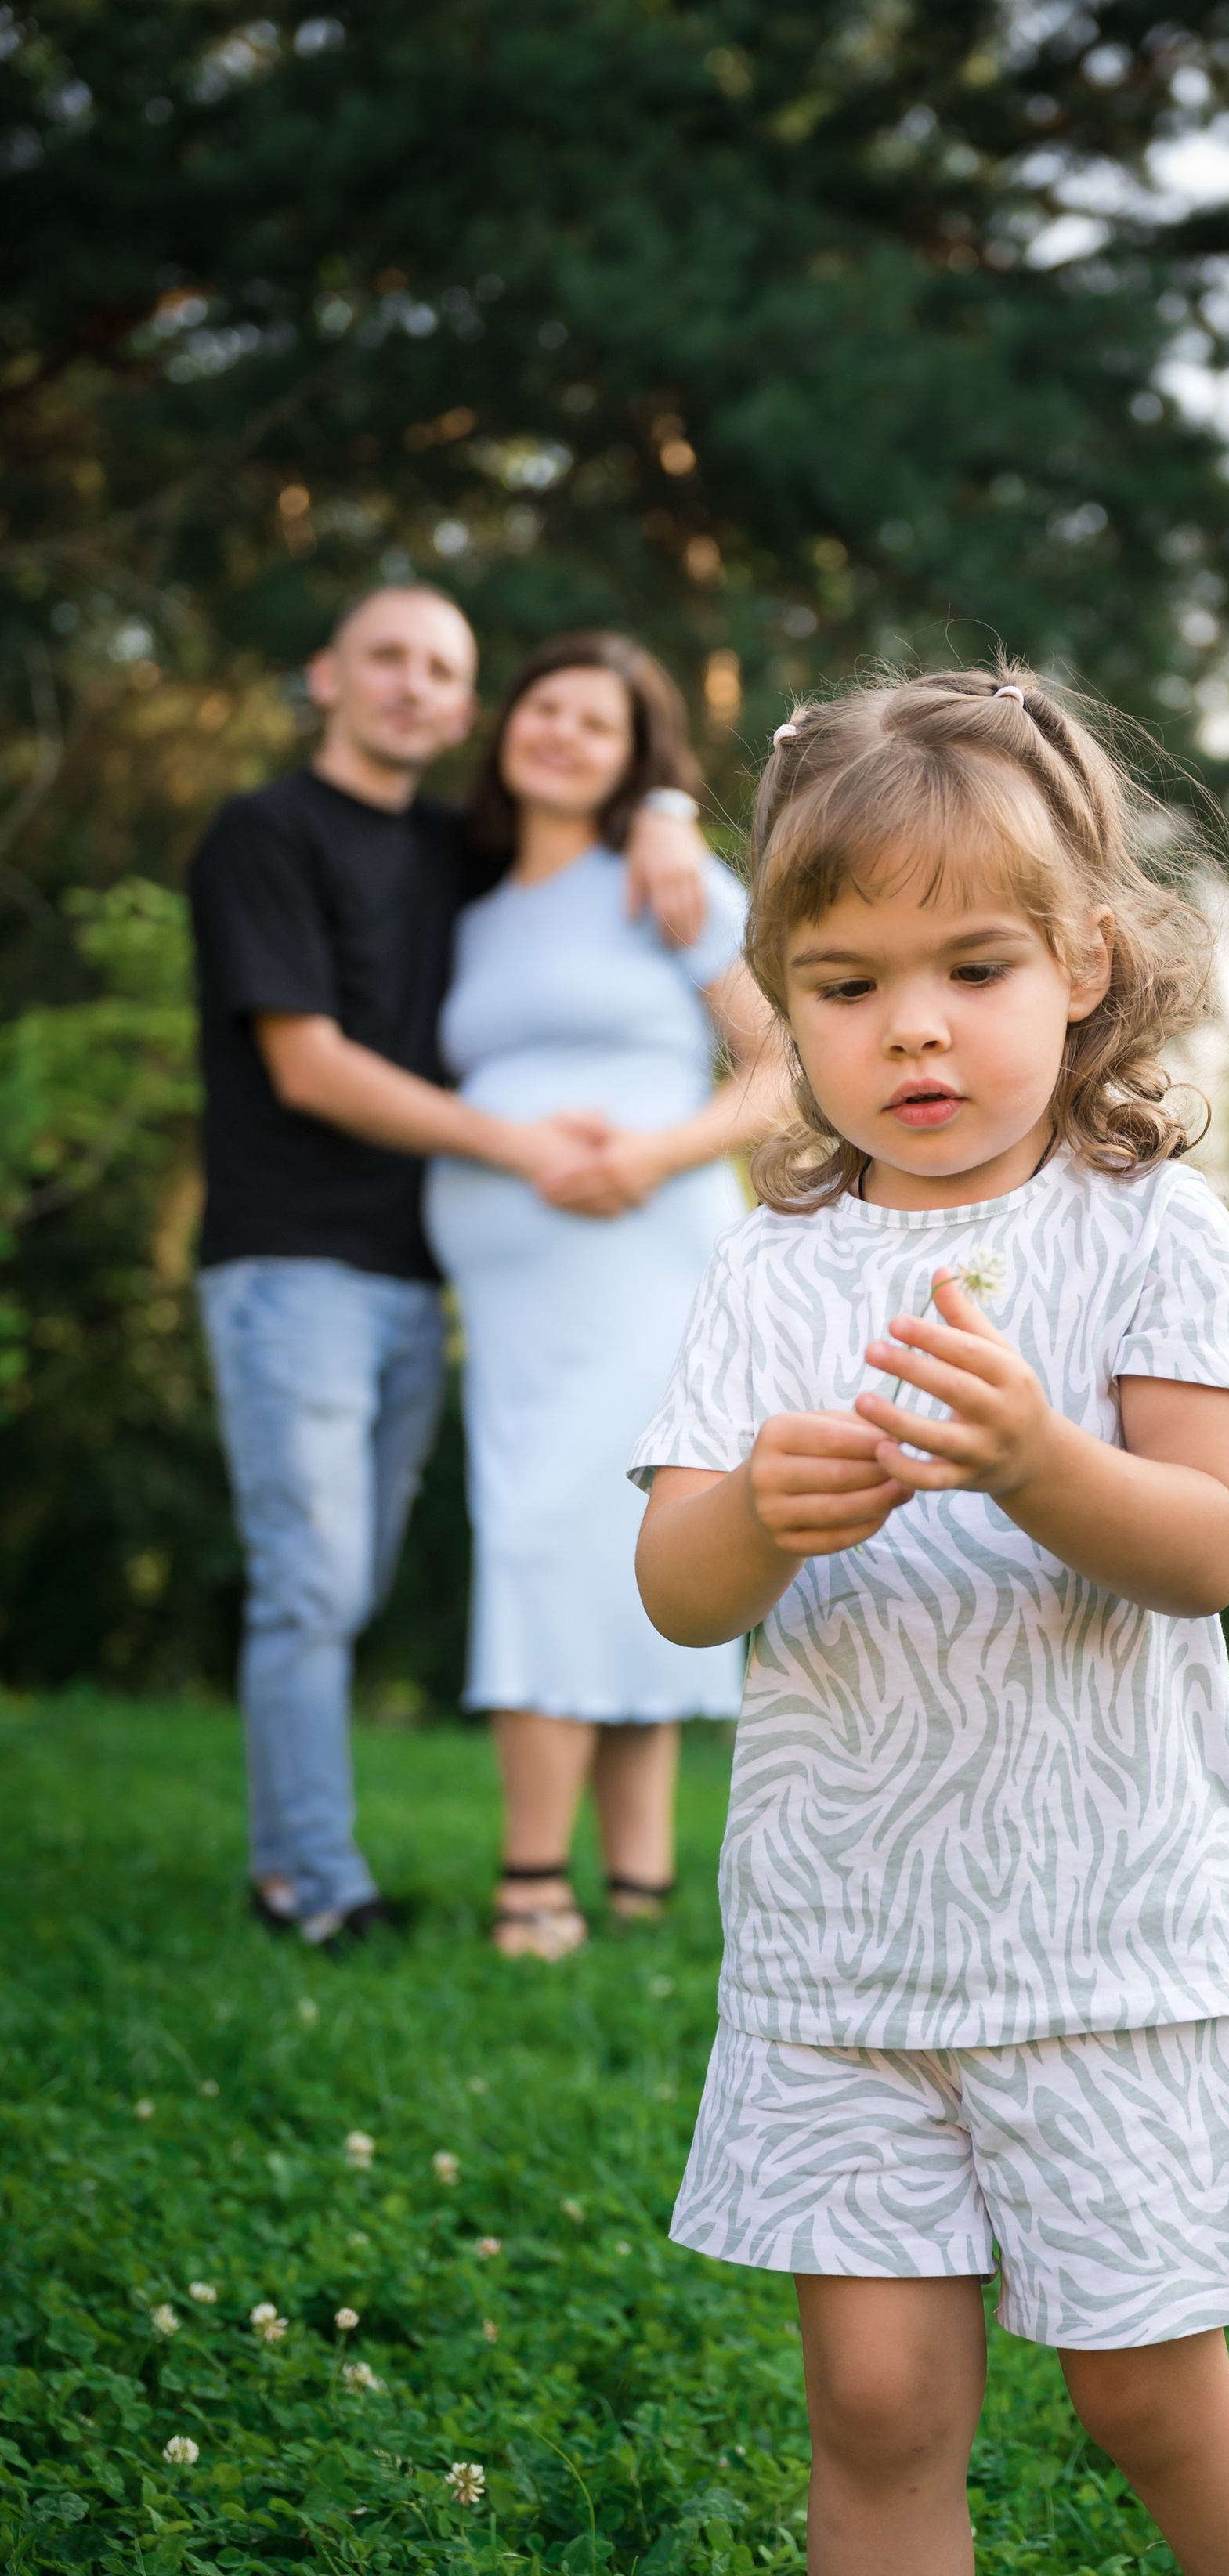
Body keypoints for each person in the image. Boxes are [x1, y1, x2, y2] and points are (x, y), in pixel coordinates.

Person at [630, 666, 1229, 2576]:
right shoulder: (771, 1272)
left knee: (1148, 2385)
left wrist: (1044, 1459)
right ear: (785, 1007)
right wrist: (763, 1511)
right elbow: (676, 1587)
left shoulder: (1155, 1232)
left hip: (1105, 1934)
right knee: (875, 2402)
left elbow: (1202, 1543)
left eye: (974, 968)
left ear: (1084, 969)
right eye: (849, 984)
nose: (917, 1032)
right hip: (848, 1950)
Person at [190, 584, 712, 1949]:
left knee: (383, 1575)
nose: (413, 685)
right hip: (301, 1256)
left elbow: (611, 852)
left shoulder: (455, 857)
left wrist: (666, 811)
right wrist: (529, 1149)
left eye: (442, 667)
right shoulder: (267, 834)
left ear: (460, 708)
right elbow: (304, 1062)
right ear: (327, 675)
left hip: (438, 1272)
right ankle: (312, 1878)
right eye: (386, 659)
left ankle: (621, 1876)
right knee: (323, 1580)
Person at [425, 634, 784, 1960]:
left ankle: (562, 1879)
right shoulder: (459, 904)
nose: (566, 733)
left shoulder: (670, 878)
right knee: (539, 1525)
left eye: (603, 720)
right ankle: (619, 1877)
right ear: (505, 727)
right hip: (515, 1284)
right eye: (547, 708)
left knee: (621, 1525)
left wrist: (646, 1153)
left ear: (641, 756)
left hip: (650, 1252)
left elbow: (787, 1068)